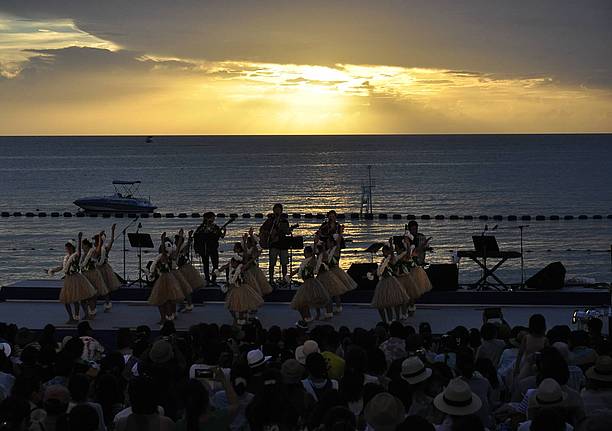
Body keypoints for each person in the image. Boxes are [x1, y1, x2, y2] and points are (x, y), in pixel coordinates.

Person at [47, 232, 97, 324]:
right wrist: (52, 270)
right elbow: (62, 267)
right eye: (66, 248)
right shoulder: (66, 257)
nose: (67, 249)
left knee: (76, 300)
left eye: (69, 247)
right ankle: (71, 317)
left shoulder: (76, 256)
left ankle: (77, 317)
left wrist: (79, 239)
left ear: (72, 248)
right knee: (66, 301)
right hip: (68, 279)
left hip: (75, 279)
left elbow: (79, 252)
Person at [289, 246, 332, 328]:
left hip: (311, 283)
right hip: (305, 284)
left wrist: (315, 244)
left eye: (305, 252)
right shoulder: (304, 262)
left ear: (309, 253)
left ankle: (308, 318)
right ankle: (307, 318)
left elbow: (313, 257)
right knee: (301, 303)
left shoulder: (312, 260)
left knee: (304, 303)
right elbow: (299, 269)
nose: (303, 254)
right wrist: (290, 275)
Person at [218, 249, 263, 325]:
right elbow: (224, 267)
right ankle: (238, 319)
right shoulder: (231, 267)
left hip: (241, 289)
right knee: (232, 307)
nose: (231, 263)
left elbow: (249, 263)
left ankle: (242, 319)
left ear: (236, 263)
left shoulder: (241, 268)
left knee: (242, 306)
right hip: (234, 289)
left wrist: (256, 257)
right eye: (231, 262)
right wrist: (217, 272)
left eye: (232, 262)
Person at [148, 233, 184, 324]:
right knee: (169, 299)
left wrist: (162, 240)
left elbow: (168, 252)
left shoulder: (163, 257)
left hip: (164, 279)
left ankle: (164, 318)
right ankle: (170, 315)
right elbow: (178, 249)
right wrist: (180, 238)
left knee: (163, 300)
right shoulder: (170, 257)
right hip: (167, 278)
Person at [371, 245, 409, 323]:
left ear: (388, 251)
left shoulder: (391, 259)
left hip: (391, 281)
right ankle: (386, 321)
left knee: (394, 302)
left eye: (384, 251)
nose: (383, 253)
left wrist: (391, 245)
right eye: (382, 251)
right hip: (382, 282)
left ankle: (394, 320)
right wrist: (373, 272)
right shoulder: (383, 260)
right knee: (383, 304)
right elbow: (380, 270)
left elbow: (392, 255)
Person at [259, 203, 291, 286]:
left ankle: (284, 279)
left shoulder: (284, 221)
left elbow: (287, 232)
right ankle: (271, 280)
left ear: (281, 211)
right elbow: (262, 229)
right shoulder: (270, 220)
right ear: (273, 210)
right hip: (273, 244)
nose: (277, 211)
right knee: (272, 264)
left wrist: (288, 231)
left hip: (283, 244)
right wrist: (269, 234)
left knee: (284, 263)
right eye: (275, 209)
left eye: (279, 209)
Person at [175, 229, 205, 312]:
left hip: (186, 269)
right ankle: (187, 304)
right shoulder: (176, 249)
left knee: (184, 288)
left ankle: (187, 304)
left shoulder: (182, 248)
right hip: (181, 269)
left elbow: (188, 245)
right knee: (183, 289)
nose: (175, 242)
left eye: (176, 240)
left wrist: (188, 237)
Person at [194, 212, 226, 286]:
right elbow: (196, 237)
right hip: (204, 249)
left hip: (213, 248)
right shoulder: (202, 228)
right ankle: (207, 279)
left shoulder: (215, 227)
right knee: (206, 265)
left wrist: (224, 230)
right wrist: (197, 249)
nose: (213, 219)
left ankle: (213, 279)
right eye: (212, 217)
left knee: (215, 264)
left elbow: (222, 236)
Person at [80, 234, 109, 317]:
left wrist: (100, 238)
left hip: (92, 274)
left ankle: (92, 311)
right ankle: (89, 312)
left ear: (86, 245)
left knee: (92, 295)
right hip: (84, 275)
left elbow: (99, 247)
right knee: (86, 296)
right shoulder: (84, 254)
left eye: (83, 245)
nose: (82, 247)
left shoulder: (93, 253)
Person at [95, 224, 123, 311]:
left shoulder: (104, 249)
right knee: (95, 287)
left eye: (96, 240)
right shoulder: (95, 249)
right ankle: (93, 304)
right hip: (97, 269)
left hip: (104, 269)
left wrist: (112, 231)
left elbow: (112, 241)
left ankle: (107, 303)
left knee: (104, 287)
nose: (94, 242)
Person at [242, 228, 273, 297]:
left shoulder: (255, 250)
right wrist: (244, 241)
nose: (247, 243)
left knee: (256, 283)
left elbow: (253, 245)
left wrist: (251, 235)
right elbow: (245, 253)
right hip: (248, 269)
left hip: (254, 269)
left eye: (248, 242)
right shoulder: (247, 249)